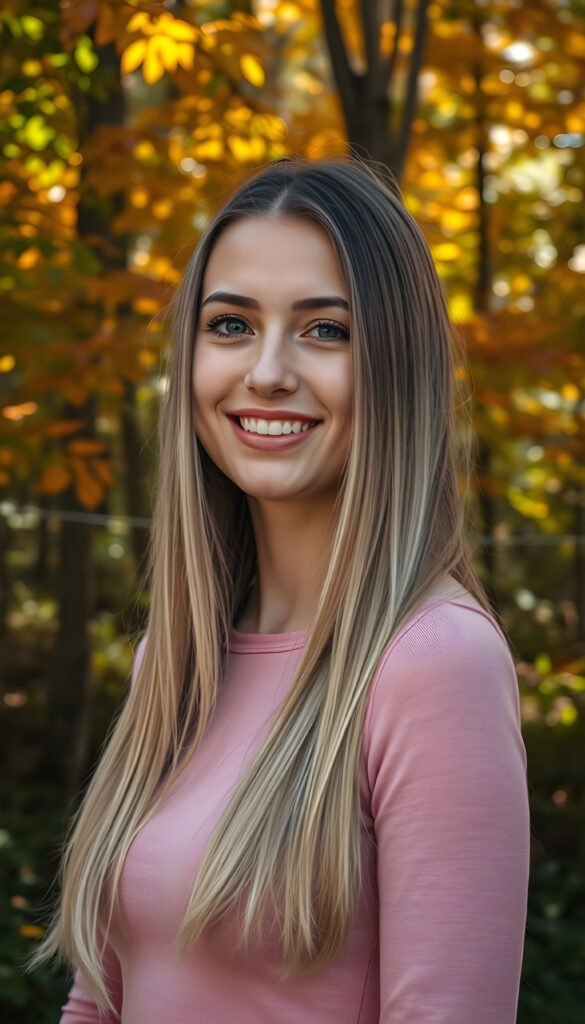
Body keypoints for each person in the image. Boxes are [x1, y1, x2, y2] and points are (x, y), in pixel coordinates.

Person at [31, 156, 530, 1023]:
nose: (266, 371)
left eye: (324, 330)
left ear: (398, 367)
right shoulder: (174, 660)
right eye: (230, 324)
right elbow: (99, 999)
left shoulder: (434, 664)